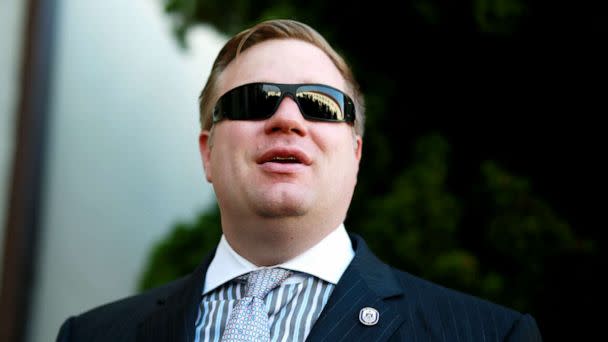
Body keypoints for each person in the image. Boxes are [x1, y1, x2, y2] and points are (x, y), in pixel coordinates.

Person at [56, 19, 542, 341]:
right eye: (254, 100)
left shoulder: (490, 336)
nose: (287, 118)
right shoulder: (91, 335)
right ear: (208, 153)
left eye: (320, 105)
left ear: (355, 155)